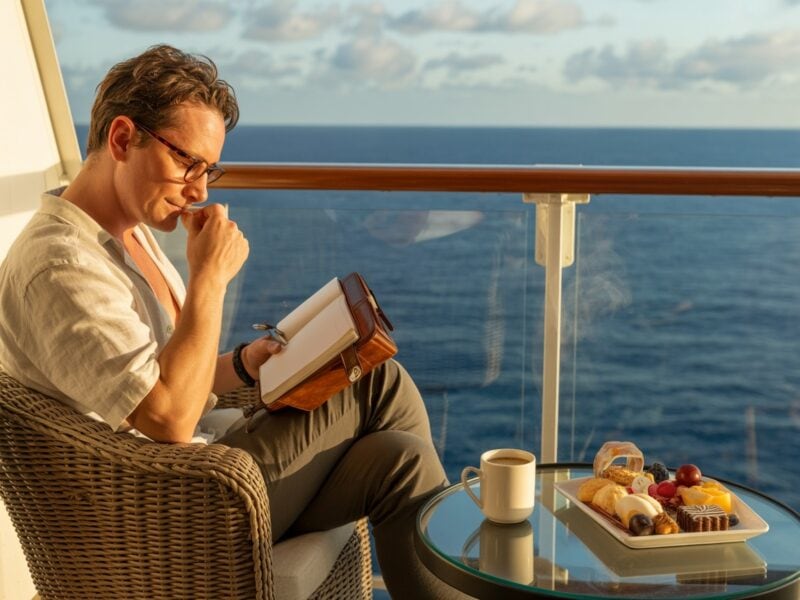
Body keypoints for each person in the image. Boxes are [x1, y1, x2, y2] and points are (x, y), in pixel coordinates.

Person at [0, 44, 467, 599]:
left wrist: (245, 364)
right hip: (168, 511)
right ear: (123, 139)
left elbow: (159, 376)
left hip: (190, 476)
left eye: (208, 169)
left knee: (401, 460)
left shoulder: (124, 235)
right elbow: (168, 418)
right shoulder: (62, 266)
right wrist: (208, 279)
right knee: (379, 380)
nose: (199, 190)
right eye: (186, 163)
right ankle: (477, 567)